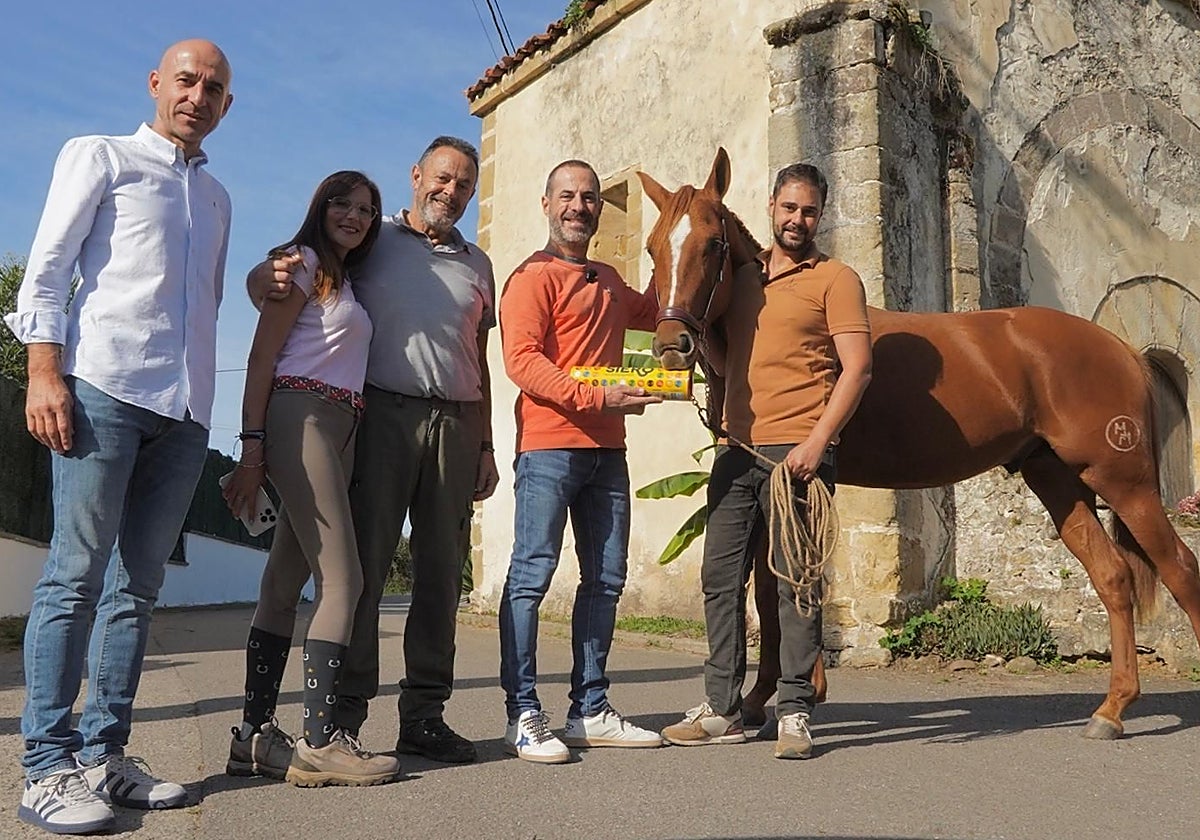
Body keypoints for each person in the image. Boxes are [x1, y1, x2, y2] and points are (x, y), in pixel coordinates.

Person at [3, 40, 233, 834]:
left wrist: (205, 413)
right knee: (74, 575)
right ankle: (45, 766)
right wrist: (44, 373)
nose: (197, 95)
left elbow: (201, 306)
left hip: (184, 413)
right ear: (156, 85)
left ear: (225, 106)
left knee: (135, 589)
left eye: (212, 87)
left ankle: (104, 755)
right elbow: (50, 265)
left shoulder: (218, 199)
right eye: (185, 81)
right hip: (104, 391)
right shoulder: (100, 156)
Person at [248, 136, 499, 764]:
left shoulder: (479, 264)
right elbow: (303, 272)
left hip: (458, 420)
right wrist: (262, 275)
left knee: (442, 575)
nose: (452, 192)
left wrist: (488, 442)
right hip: (380, 413)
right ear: (417, 176)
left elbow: (482, 356)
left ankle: (424, 716)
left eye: (465, 184)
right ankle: (344, 717)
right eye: (443, 178)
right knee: (362, 567)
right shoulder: (374, 235)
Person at [661, 163, 872, 760]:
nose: (797, 220)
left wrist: (817, 443)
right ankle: (724, 708)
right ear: (771, 207)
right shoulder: (742, 280)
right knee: (720, 580)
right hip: (737, 451)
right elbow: (731, 369)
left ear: (819, 215)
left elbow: (857, 369)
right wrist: (695, 338)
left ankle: (795, 711)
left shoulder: (835, 279)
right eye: (788, 208)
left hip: (798, 455)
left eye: (809, 211)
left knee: (796, 583)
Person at [222, 171, 400, 787]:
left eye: (367, 210)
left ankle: (253, 737)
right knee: (343, 581)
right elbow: (262, 357)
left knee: (283, 579)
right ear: (319, 207)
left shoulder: (342, 276)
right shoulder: (298, 263)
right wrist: (251, 451)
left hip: (339, 424)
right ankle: (320, 744)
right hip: (302, 416)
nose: (354, 216)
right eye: (343, 204)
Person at [498, 159, 665, 763]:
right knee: (530, 578)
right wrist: (597, 395)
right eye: (566, 196)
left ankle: (589, 710)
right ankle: (523, 714)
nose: (578, 206)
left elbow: (658, 316)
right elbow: (522, 361)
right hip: (548, 448)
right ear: (546, 204)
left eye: (589, 197)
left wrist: (676, 249)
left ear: (600, 208)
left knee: (606, 582)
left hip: (608, 452)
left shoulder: (611, 281)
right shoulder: (530, 278)